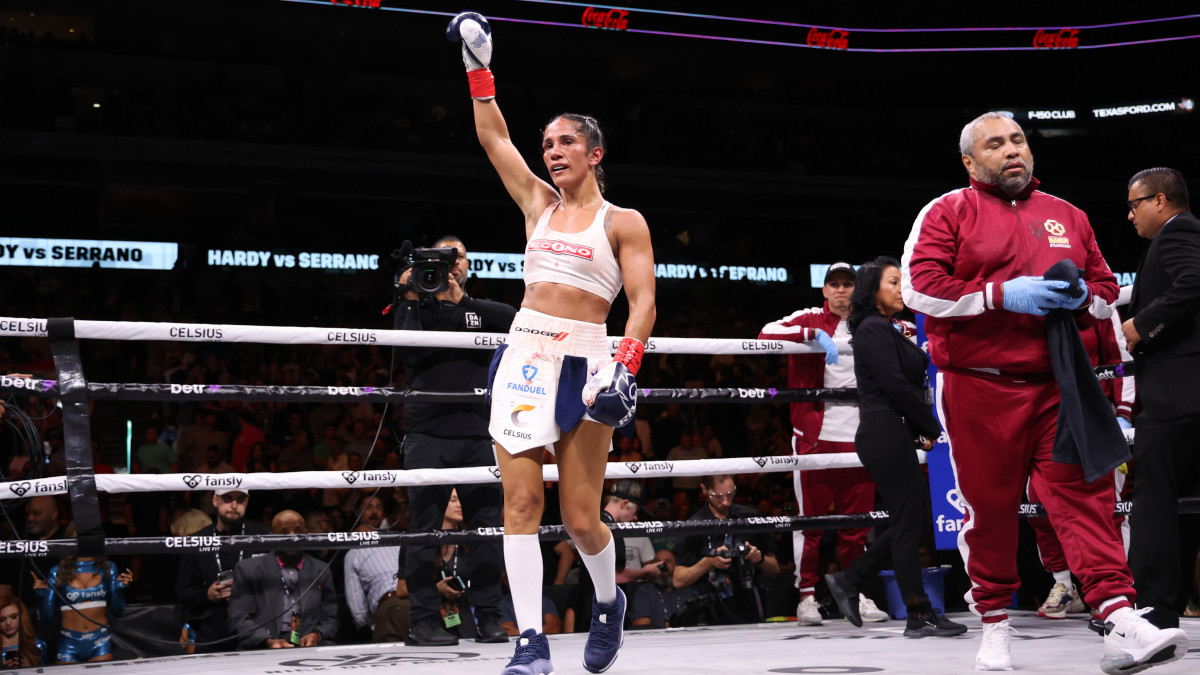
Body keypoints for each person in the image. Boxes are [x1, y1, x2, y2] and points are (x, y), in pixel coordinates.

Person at [901, 111, 1188, 672]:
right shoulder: (947, 210)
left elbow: (1107, 289)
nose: (1011, 150)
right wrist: (999, 295)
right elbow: (919, 287)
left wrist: (1083, 296)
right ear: (969, 161)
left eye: (1017, 140)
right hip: (979, 388)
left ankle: (1119, 614)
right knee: (991, 510)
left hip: (1060, 384)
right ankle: (995, 623)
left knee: (1087, 500)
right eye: (994, 144)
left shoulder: (1069, 215)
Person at [448, 10, 656, 674]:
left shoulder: (623, 221)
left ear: (595, 153)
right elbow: (492, 137)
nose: (552, 151)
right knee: (519, 501)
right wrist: (477, 64)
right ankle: (529, 640)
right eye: (547, 143)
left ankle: (605, 602)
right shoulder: (538, 205)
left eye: (566, 142)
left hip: (591, 360)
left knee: (581, 518)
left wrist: (627, 364)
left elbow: (644, 299)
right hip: (525, 357)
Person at [822, 257, 965, 638]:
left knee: (910, 521)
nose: (901, 289)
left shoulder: (882, 328)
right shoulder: (871, 328)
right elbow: (896, 387)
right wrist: (930, 424)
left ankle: (852, 579)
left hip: (893, 431)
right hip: (883, 431)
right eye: (893, 282)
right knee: (907, 525)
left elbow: (904, 385)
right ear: (874, 290)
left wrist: (917, 426)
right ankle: (916, 613)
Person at [396, 234, 516, 648]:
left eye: (456, 256)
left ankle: (488, 616)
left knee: (486, 530)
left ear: (466, 265)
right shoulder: (413, 306)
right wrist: (412, 292)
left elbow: (515, 317)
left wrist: (458, 299)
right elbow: (409, 354)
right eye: (441, 258)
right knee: (424, 531)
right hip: (428, 432)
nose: (449, 264)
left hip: (478, 432)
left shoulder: (479, 310)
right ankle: (424, 620)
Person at [758, 261, 887, 626]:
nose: (842, 290)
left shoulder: (869, 319)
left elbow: (907, 331)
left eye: (849, 284)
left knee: (855, 525)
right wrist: (809, 337)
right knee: (810, 523)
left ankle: (856, 592)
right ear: (825, 289)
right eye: (836, 284)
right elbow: (765, 334)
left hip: (860, 436)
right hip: (816, 437)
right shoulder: (810, 317)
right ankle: (807, 597)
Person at [1121, 167, 1200, 631]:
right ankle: (1166, 605)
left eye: (1134, 205)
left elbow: (1193, 281)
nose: (1129, 215)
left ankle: (1151, 607)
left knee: (1152, 498)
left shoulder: (1178, 232)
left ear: (1160, 201)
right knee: (1185, 503)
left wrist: (1139, 324)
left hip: (1177, 394)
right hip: (1185, 392)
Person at [1028, 309, 1135, 621]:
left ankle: (1117, 591)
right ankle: (1064, 587)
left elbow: (1120, 356)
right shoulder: (1027, 299)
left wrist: (1123, 413)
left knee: (1109, 508)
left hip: (1094, 415)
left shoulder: (1097, 301)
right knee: (1039, 506)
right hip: (1043, 416)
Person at [673, 474, 780, 625]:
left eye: (730, 494)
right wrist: (709, 561)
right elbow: (678, 580)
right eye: (718, 496)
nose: (725, 501)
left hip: (751, 607)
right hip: (710, 612)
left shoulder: (751, 517)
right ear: (704, 490)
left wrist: (759, 558)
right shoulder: (694, 525)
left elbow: (775, 570)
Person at [175, 488, 271, 653]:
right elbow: (182, 593)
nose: (234, 505)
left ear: (247, 502)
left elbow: (278, 584)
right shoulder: (197, 541)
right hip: (212, 632)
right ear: (214, 500)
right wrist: (207, 595)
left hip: (256, 629)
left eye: (240, 500)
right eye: (227, 498)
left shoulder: (263, 536)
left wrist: (246, 590)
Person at [227, 510, 338, 650]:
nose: (291, 538)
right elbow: (238, 618)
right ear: (272, 536)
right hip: (262, 646)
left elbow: (330, 618)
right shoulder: (248, 569)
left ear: (306, 535)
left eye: (297, 532)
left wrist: (317, 635)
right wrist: (267, 641)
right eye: (284, 533)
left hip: (308, 645)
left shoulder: (321, 569)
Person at [32, 554, 132, 663]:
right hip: (69, 642)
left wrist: (119, 590)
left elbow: (118, 611)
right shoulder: (57, 571)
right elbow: (46, 617)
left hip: (100, 641)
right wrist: (42, 597)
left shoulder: (108, 568)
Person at [343, 496, 408, 643]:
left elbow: (360, 615)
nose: (374, 512)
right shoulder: (353, 553)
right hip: (392, 608)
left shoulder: (398, 541)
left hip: (413, 602)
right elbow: (358, 610)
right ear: (358, 512)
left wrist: (371, 624)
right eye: (368, 507)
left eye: (378, 507)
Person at [629, 550, 699, 629]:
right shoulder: (644, 591)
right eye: (659, 562)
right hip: (655, 639)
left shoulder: (686, 591)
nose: (663, 565)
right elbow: (640, 625)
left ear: (676, 565)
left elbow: (695, 624)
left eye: (668, 561)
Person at [0, 593, 43, 668]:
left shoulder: (37, 645)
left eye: (13, 617)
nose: (8, 623)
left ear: (22, 616)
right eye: (2, 620)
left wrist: (29, 668)